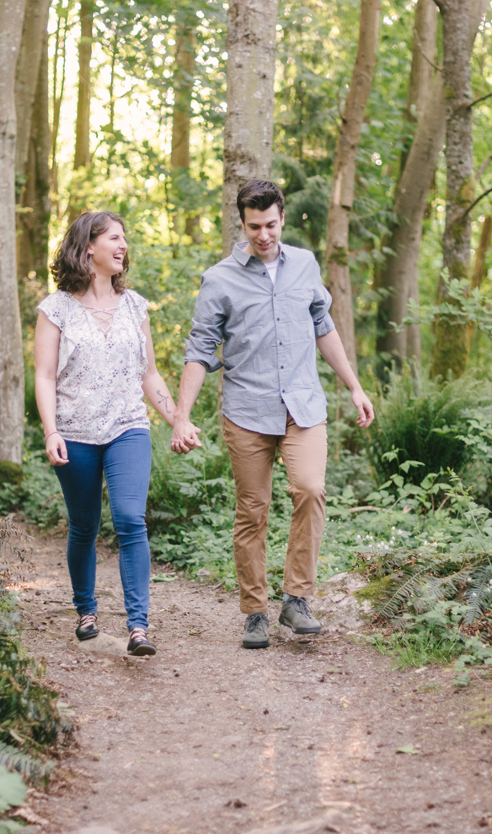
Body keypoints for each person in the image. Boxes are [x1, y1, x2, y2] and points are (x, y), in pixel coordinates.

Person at [170, 180, 375, 649]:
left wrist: (355, 387)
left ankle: (296, 599)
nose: (263, 235)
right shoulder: (219, 278)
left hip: (303, 405)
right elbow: (200, 349)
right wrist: (182, 415)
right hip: (246, 409)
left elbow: (324, 327)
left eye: (271, 225)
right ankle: (255, 612)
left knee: (310, 488)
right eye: (254, 226)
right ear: (241, 224)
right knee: (253, 511)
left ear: (283, 218)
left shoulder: (305, 264)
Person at [34, 210, 179, 657]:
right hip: (74, 432)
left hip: (127, 428)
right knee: (84, 526)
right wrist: (50, 431)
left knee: (131, 518)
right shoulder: (55, 308)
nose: (123, 246)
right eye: (114, 238)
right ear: (88, 247)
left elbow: (149, 374)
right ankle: (86, 611)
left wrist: (178, 418)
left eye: (124, 239)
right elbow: (43, 376)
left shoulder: (135, 306)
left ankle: (138, 627)